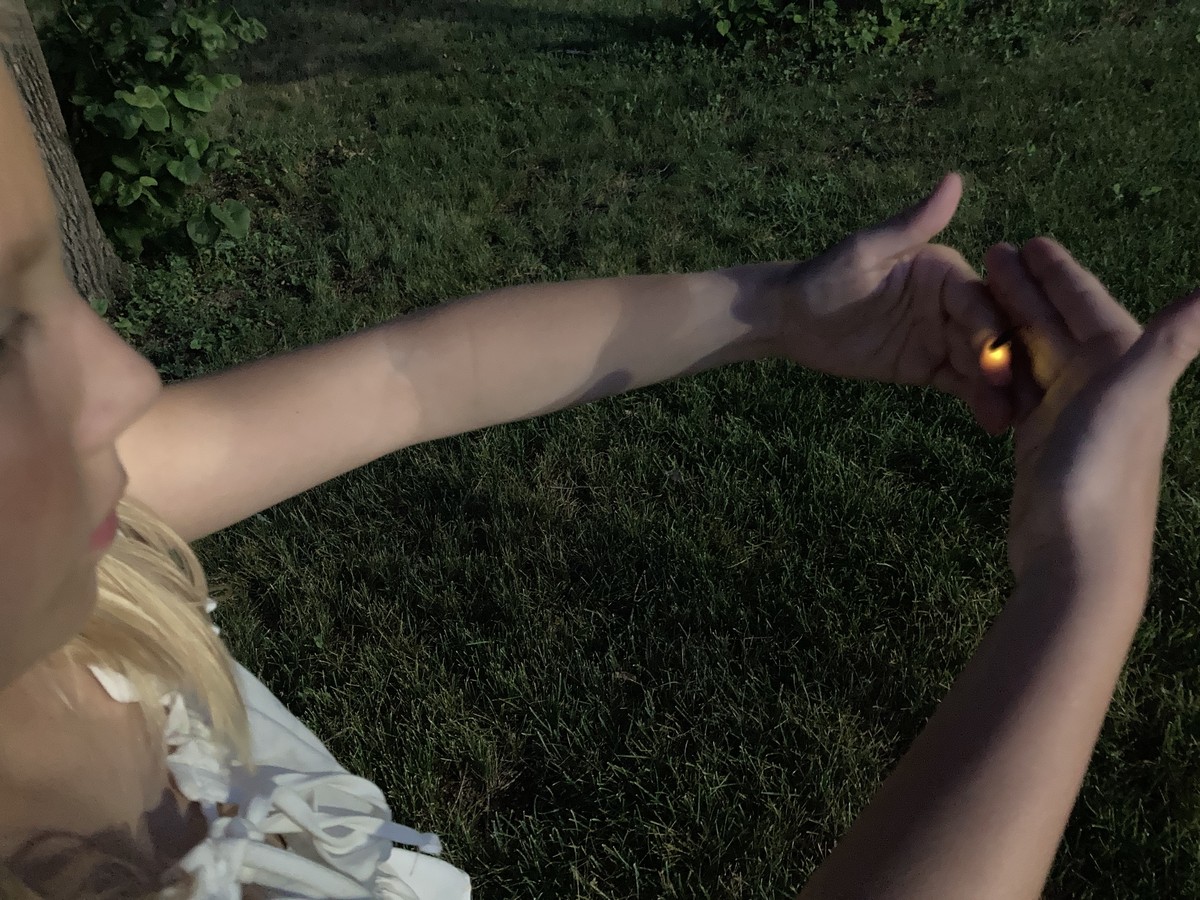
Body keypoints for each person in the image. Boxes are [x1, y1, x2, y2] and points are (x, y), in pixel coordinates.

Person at [0, 53, 1196, 900]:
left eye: (49, 292)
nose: (127, 378)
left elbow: (407, 378)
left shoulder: (78, 579)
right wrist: (1081, 582)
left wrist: (774, 309)